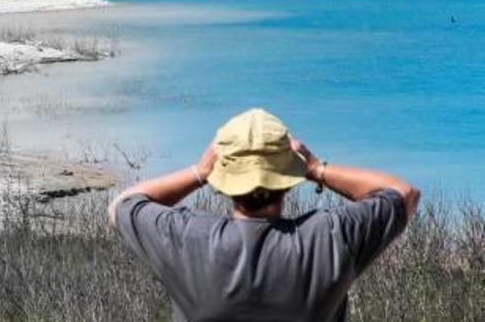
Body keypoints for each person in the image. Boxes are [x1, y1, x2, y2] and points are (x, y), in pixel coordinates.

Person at [108, 108, 420, 322]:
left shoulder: (185, 238)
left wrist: (199, 172)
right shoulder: (331, 236)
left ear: (224, 180)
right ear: (287, 181)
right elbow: (403, 192)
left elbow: (123, 204)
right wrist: (317, 169)